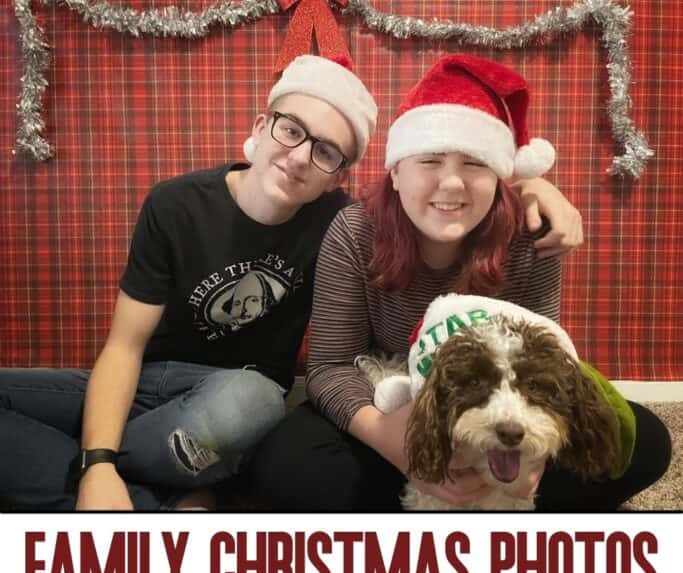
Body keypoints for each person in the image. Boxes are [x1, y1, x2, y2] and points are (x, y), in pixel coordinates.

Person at [0, 55, 583, 512]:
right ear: (262, 125)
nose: (301, 156)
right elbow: (124, 346)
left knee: (250, 404)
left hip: (237, 398)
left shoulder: (339, 219)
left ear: (342, 173)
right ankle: (151, 498)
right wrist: (98, 464)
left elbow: (549, 356)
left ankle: (152, 483)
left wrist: (536, 188)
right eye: (291, 130)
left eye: (327, 150)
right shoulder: (178, 204)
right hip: (153, 386)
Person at [249, 54, 671, 511]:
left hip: (505, 408)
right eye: (429, 160)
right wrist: (398, 446)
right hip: (398, 409)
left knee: (643, 442)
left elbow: (546, 363)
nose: (451, 183)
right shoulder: (354, 231)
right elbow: (330, 368)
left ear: (498, 174)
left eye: (474, 163)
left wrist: (530, 459)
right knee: (285, 468)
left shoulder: (531, 235)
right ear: (396, 171)